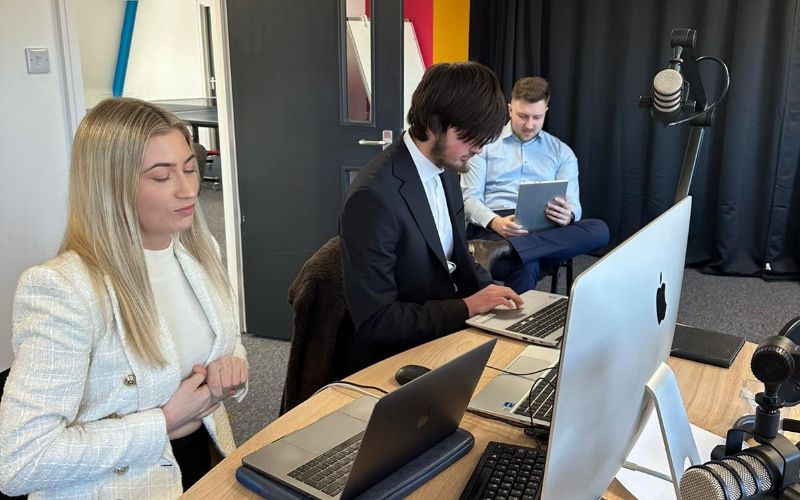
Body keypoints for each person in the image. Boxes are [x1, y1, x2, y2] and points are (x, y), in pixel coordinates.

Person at [0, 98, 248, 500]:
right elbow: (20, 462)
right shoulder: (63, 290)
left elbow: (223, 340)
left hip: (207, 467)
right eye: (161, 177)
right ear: (111, 185)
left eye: (189, 168)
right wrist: (162, 421)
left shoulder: (201, 253)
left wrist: (231, 364)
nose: (188, 189)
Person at [339, 62, 523, 373]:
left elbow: (454, 259)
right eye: (471, 139)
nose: (478, 150)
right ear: (435, 124)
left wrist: (497, 297)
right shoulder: (373, 198)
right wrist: (468, 307)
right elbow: (377, 321)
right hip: (399, 359)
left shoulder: (446, 170)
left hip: (447, 334)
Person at [461, 77, 610, 294]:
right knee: (526, 261)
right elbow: (469, 198)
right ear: (510, 109)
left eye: (537, 117)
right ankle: (516, 324)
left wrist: (567, 216)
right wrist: (496, 222)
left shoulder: (561, 152)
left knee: (599, 230)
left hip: (544, 229)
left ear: (546, 112)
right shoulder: (485, 145)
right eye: (522, 116)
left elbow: (574, 206)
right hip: (494, 227)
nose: (529, 125)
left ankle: (505, 249)